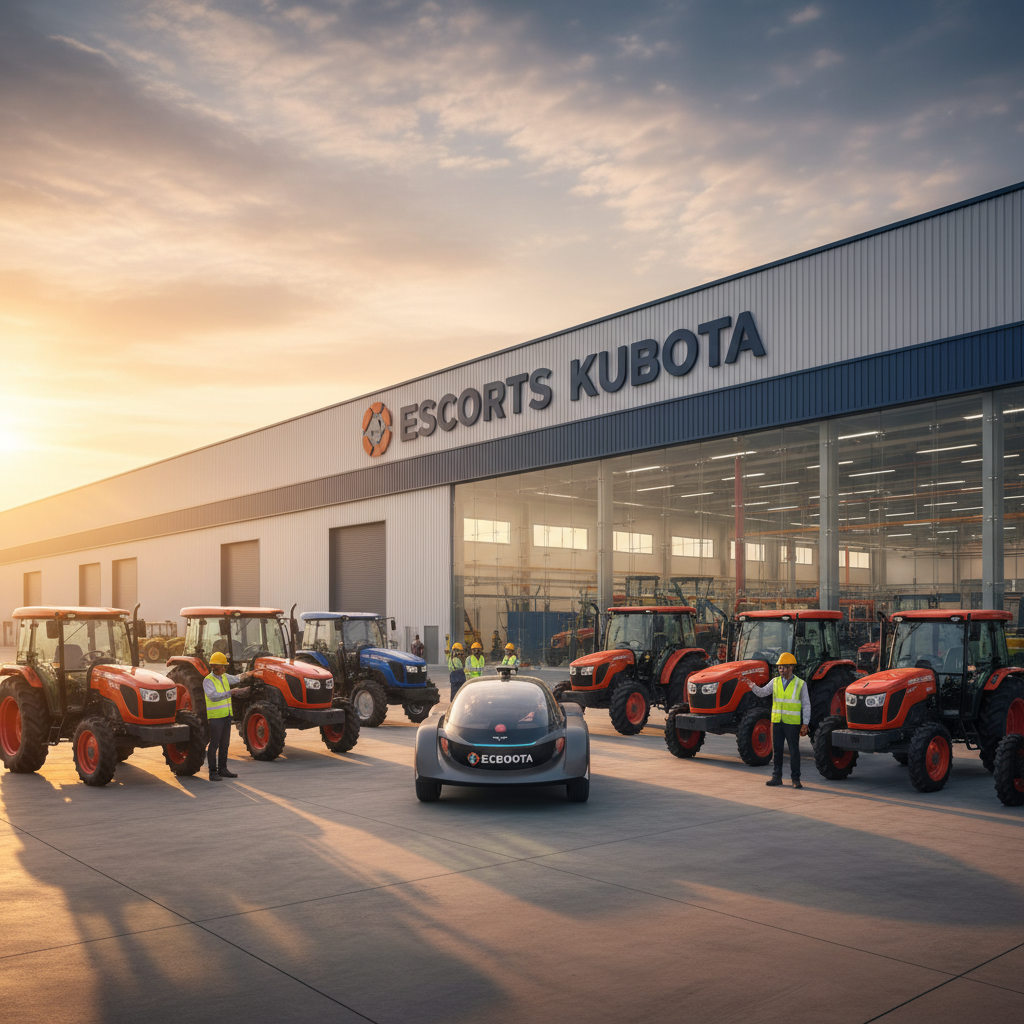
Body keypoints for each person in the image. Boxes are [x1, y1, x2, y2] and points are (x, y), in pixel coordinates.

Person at [748, 651, 809, 788]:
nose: (782, 670)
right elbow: (763, 692)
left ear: (792, 667)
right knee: (777, 750)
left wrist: (805, 723)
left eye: (785, 667)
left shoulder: (800, 684)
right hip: (777, 722)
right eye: (780, 667)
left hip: (792, 723)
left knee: (794, 751)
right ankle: (776, 777)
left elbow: (806, 704)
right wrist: (751, 685)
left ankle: (795, 779)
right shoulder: (774, 682)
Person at [204, 651, 250, 781]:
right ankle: (213, 772)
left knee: (225, 744)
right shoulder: (208, 680)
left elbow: (236, 678)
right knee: (214, 745)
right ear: (214, 667)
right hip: (215, 718)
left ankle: (223, 769)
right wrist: (232, 692)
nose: (224, 669)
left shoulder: (224, 676)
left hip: (226, 716)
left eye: (225, 666)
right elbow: (213, 696)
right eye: (222, 666)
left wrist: (250, 674)